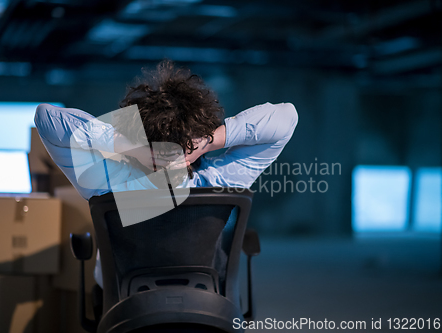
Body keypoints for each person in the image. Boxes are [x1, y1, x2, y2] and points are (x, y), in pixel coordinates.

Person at [34, 59, 298, 288]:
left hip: (125, 307)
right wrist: (209, 141)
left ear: (138, 131)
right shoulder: (219, 181)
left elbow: (47, 118)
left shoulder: (108, 184)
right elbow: (286, 118)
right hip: (207, 304)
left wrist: (134, 146)